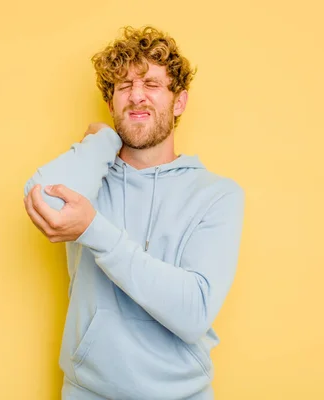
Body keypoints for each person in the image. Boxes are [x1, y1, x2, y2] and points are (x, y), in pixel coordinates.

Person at [23, 26, 245, 400]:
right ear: (110, 103)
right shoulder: (92, 180)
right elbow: (43, 202)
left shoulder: (217, 195)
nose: (136, 96)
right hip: (88, 392)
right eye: (123, 87)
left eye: (151, 84)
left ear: (179, 102)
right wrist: (103, 142)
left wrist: (93, 228)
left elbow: (194, 312)